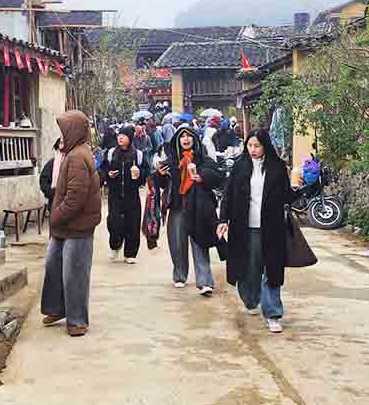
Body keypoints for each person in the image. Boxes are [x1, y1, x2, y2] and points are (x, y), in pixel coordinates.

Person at [217, 129, 303, 333]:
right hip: (244, 227)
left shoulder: (277, 167)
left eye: (257, 146)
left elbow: (285, 197)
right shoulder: (240, 166)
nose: (253, 149)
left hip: (271, 226)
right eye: (250, 145)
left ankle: (273, 313)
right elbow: (228, 195)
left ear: (265, 146)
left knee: (271, 269)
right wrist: (223, 220)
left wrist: (296, 188)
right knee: (249, 268)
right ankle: (250, 298)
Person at [42, 111, 103, 337]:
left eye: (65, 131)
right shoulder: (72, 152)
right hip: (64, 226)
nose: (62, 136)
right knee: (54, 267)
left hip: (77, 226)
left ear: (74, 131)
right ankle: (57, 309)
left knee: (75, 274)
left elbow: (76, 196)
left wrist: (56, 215)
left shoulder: (77, 156)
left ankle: (77, 320)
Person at [153, 125, 223, 294]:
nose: (186, 139)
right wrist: (160, 175)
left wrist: (201, 176)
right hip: (177, 207)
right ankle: (179, 276)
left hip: (198, 207)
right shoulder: (171, 161)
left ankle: (205, 281)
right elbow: (161, 184)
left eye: (189, 136)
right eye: (182, 136)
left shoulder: (203, 158)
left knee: (200, 243)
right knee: (177, 243)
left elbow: (216, 176)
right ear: (178, 141)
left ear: (195, 139)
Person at [99, 125, 148, 263]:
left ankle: (130, 254)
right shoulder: (111, 153)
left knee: (132, 223)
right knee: (114, 221)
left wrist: (139, 174)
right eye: (119, 135)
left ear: (130, 138)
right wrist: (108, 174)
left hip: (132, 195)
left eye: (124, 135)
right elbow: (103, 169)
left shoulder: (138, 154)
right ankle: (115, 246)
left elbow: (146, 171)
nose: (120, 137)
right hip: (115, 195)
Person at [38, 138, 63, 213]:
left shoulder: (73, 163)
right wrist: (53, 193)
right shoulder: (51, 164)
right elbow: (43, 182)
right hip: (55, 205)